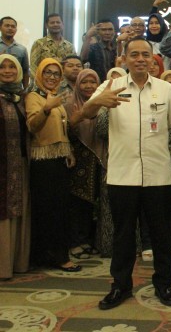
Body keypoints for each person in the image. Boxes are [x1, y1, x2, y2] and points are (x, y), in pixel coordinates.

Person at [82, 38, 171, 310]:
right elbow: (85, 114)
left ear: (152, 59)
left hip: (158, 175)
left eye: (145, 55)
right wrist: (98, 101)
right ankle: (120, 285)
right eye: (134, 55)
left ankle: (163, 285)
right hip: (122, 176)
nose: (140, 59)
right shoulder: (111, 86)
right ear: (125, 59)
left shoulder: (166, 89)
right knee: (124, 235)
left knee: (162, 234)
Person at [26, 58, 79, 272]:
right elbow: (32, 126)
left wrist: (69, 150)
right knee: (49, 211)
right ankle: (54, 256)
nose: (52, 77)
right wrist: (46, 109)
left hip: (59, 160)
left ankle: (53, 255)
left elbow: (61, 129)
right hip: (43, 162)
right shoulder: (33, 97)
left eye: (56, 74)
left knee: (60, 209)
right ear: (39, 74)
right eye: (47, 72)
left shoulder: (54, 96)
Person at [65, 69, 106, 259]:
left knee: (94, 202)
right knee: (78, 202)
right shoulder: (69, 104)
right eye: (84, 82)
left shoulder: (103, 105)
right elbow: (63, 131)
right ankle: (75, 242)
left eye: (93, 82)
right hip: (77, 158)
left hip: (98, 158)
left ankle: (88, 240)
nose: (89, 86)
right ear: (77, 84)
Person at [0, 55, 30, 280]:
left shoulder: (21, 98)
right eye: (2, 67)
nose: (7, 70)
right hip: (2, 165)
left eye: (12, 66)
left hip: (19, 165)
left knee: (19, 210)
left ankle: (16, 262)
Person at [0, 16, 30, 88]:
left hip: (16, 90)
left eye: (13, 26)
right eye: (7, 26)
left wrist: (25, 89)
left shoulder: (22, 49)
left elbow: (25, 71)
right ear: (0, 27)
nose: (10, 28)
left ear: (16, 29)